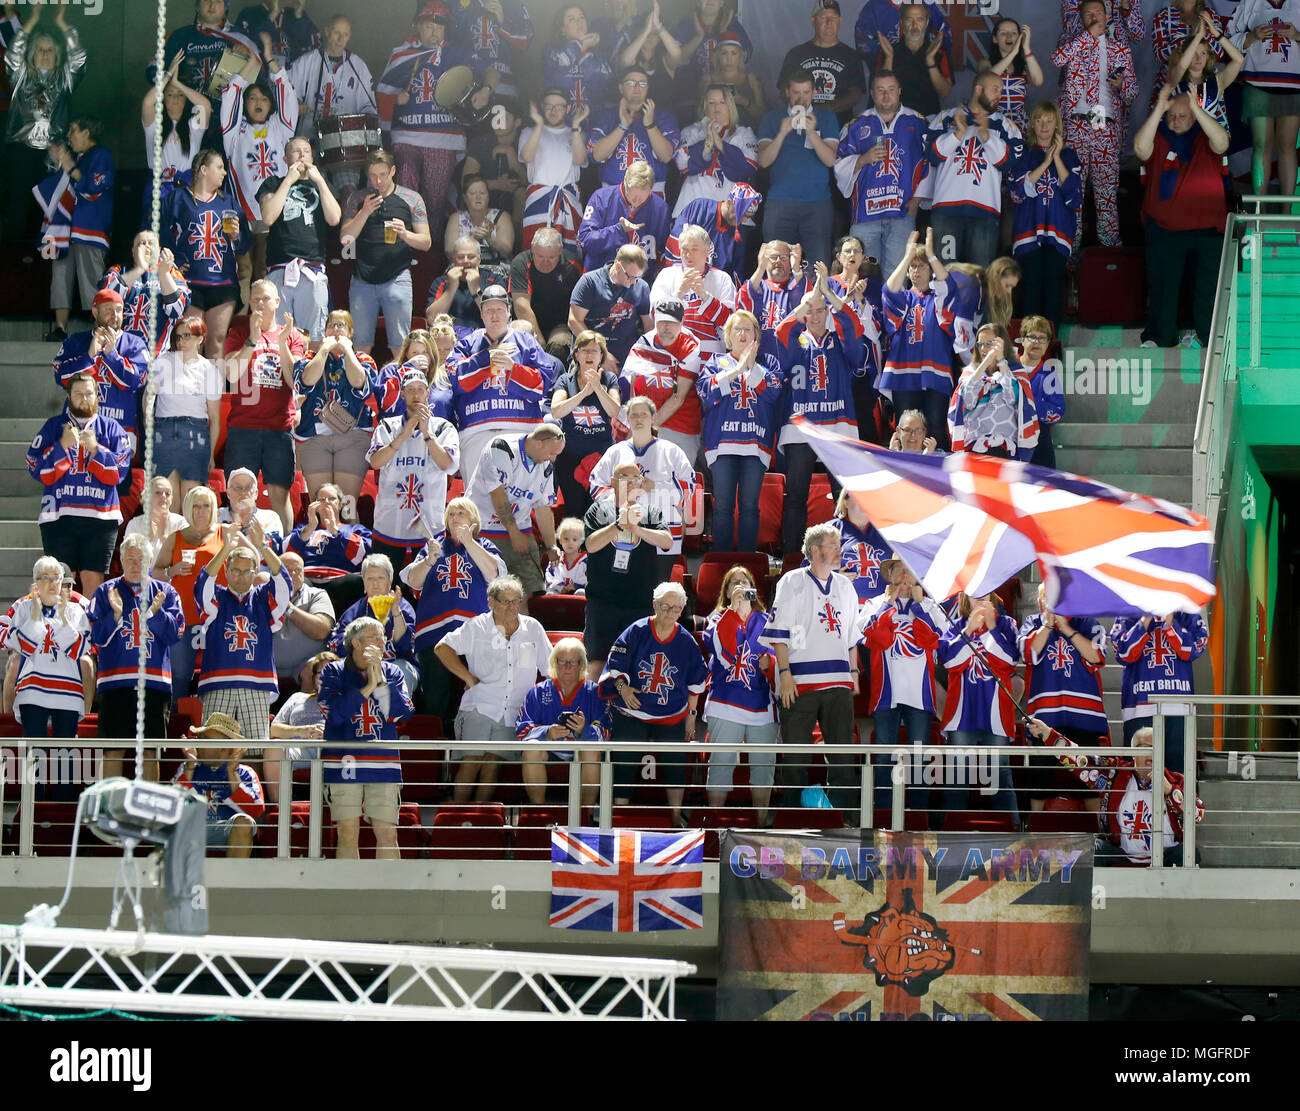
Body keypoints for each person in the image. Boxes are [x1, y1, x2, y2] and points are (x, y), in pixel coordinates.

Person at [761, 523, 868, 815]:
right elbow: (780, 633)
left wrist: (854, 673)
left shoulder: (845, 586)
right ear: (815, 550)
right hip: (799, 682)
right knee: (796, 759)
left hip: (838, 682)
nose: (839, 551)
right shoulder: (791, 581)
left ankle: (844, 819)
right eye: (834, 546)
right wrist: (785, 676)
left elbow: (850, 635)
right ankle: (793, 820)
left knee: (843, 758)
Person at [774, 266, 866, 555]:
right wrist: (808, 300)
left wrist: (828, 295)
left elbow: (854, 327)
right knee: (797, 494)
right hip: (801, 426)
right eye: (809, 311)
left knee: (844, 494)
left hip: (838, 425)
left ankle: (848, 550)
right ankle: (793, 554)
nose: (813, 316)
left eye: (819, 310)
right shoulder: (796, 341)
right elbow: (781, 330)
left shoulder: (839, 339)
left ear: (828, 312)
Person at [599, 580, 707, 825]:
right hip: (631, 712)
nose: (670, 613)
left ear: (682, 610)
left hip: (671, 715)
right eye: (665, 606)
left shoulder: (686, 641)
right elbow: (614, 666)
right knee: (624, 764)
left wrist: (690, 716)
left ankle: (676, 816)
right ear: (654, 605)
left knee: (675, 767)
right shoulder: (636, 631)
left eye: (676, 608)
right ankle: (619, 816)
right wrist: (622, 688)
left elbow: (696, 683)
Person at [435, 574, 551, 802]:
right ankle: (456, 817)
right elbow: (442, 649)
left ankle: (480, 819)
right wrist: (468, 678)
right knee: (471, 762)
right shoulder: (476, 626)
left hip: (516, 710)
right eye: (505, 601)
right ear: (491, 601)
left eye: (516, 600)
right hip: (480, 705)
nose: (512, 607)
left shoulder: (533, 628)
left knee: (492, 765)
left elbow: (549, 668)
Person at [1027, 718, 1203, 867]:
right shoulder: (1113, 775)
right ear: (1132, 753)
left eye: (1155, 748)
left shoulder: (1177, 780)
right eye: (1144, 749)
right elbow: (1080, 759)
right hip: (1123, 856)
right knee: (1094, 847)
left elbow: (1197, 814)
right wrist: (1049, 734)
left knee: (1189, 851)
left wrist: (1170, 791)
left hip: (1166, 858)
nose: (1151, 755)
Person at [377, 1, 490, 229]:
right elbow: (381, 93)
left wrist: (486, 89)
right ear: (418, 26)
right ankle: (404, 244)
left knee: (435, 198)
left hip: (443, 137)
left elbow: (486, 70)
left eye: (439, 27)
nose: (434, 31)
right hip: (406, 135)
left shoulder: (458, 54)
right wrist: (395, 99)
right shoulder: (402, 54)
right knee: (405, 188)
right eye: (429, 26)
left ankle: (432, 251)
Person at [1134, 85, 1229, 350]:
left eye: (1181, 116)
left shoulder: (1205, 135)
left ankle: (1207, 339)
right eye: (1171, 116)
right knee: (1163, 288)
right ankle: (1159, 338)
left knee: (1207, 291)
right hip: (1165, 228)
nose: (1175, 121)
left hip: (1208, 228)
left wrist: (1197, 110)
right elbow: (1141, 150)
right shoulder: (1160, 133)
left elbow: (1222, 143)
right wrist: (1159, 110)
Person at [88, 534, 185, 782]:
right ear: (120, 560)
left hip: (154, 685)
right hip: (114, 684)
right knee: (112, 751)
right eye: (129, 559)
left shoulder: (166, 592)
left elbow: (175, 634)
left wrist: (155, 614)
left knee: (150, 752)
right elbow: (95, 637)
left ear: (151, 561)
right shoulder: (105, 591)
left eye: (141, 560)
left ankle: (148, 816)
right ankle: (108, 813)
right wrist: (115, 615)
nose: (134, 565)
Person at [401, 496, 505, 720]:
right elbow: (412, 581)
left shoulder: (484, 545)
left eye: (461, 513)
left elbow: (493, 574)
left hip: (475, 634)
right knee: (436, 700)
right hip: (433, 633)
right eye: (451, 514)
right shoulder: (433, 547)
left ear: (474, 519)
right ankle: (437, 750)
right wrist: (429, 559)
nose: (455, 518)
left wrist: (468, 542)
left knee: (475, 698)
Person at [27, 372, 131, 598]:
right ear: (69, 396)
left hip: (100, 517)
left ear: (97, 396)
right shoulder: (54, 427)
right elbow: (34, 465)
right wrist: (61, 446)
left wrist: (96, 449)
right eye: (78, 394)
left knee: (93, 579)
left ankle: (90, 632)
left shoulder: (112, 428)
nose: (84, 399)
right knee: (60, 581)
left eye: (88, 393)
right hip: (59, 515)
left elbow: (120, 472)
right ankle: (61, 632)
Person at [319, 615, 414, 859]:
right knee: (348, 833)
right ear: (357, 643)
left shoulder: (393, 672)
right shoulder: (333, 670)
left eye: (383, 638)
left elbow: (400, 714)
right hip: (342, 762)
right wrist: (367, 688)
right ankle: (350, 894)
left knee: (388, 834)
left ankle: (389, 894)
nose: (382, 643)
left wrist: (380, 681)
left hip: (383, 762)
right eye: (375, 638)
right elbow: (333, 714)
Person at [1053, 0, 1140, 251]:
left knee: (1106, 195)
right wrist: (1087, 37)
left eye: (1098, 12)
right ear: (1080, 18)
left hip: (1105, 125)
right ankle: (1070, 254)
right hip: (1076, 125)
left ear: (1107, 15)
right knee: (1073, 193)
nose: (1094, 17)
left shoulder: (1120, 48)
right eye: (1088, 14)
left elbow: (1132, 93)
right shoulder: (1070, 41)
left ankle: (1109, 254)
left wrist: (1121, 84)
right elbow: (1057, 59)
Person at [861, 556, 945, 814]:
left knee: (919, 757)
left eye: (910, 572)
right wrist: (887, 603)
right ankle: (884, 813)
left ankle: (919, 815)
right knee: (885, 756)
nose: (905, 578)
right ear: (890, 576)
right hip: (887, 694)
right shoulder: (876, 603)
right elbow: (868, 632)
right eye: (899, 571)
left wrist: (919, 606)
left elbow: (936, 640)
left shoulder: (931, 606)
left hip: (919, 696)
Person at [195, 517, 292, 740]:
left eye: (247, 571)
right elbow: (202, 585)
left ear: (255, 572)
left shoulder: (263, 599)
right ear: (226, 572)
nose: (240, 576)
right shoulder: (218, 597)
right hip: (218, 683)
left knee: (257, 749)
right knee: (213, 752)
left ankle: (254, 778)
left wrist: (263, 547)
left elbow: (284, 585)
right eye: (235, 571)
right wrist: (225, 548)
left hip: (257, 684)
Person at [697, 310, 784, 553]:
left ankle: (748, 560)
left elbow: (773, 393)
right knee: (723, 505)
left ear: (757, 335)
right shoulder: (715, 362)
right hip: (723, 444)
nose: (743, 334)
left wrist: (751, 367)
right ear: (728, 336)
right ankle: (722, 561)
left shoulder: (769, 363)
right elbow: (706, 393)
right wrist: (736, 370)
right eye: (737, 329)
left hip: (755, 446)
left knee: (749, 506)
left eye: (748, 329)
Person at [224, 279, 306, 535]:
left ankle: (280, 551)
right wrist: (252, 339)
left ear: (277, 302)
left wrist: (281, 343)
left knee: (279, 495)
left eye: (266, 299)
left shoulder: (293, 335)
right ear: (249, 302)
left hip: (278, 429)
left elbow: (295, 380)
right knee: (238, 495)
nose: (260, 303)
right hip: (242, 427)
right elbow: (231, 375)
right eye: (255, 299)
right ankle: (237, 551)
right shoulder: (238, 332)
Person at [447, 283, 552, 481]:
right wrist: (488, 358)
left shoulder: (526, 341)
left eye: (499, 310)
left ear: (508, 311)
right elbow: (456, 379)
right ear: (481, 313)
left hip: (522, 429)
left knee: (521, 498)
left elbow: (542, 384)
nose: (494, 316)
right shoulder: (467, 343)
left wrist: (513, 369)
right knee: (478, 501)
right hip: (476, 430)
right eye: (488, 310)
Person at [582, 462, 673, 682]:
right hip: (602, 602)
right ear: (613, 482)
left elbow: (667, 542)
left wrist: (637, 528)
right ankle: (593, 710)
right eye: (624, 478)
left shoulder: (650, 511)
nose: (631, 483)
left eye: (636, 479)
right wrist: (618, 525)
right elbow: (590, 545)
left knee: (636, 663)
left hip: (639, 603)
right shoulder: (598, 509)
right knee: (596, 663)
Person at [834, 69, 929, 280]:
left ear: (899, 91)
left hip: (902, 211)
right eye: (880, 90)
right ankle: (867, 314)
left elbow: (930, 163)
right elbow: (838, 163)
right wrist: (862, 159)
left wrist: (916, 201)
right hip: (865, 213)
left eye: (891, 90)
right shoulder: (857, 124)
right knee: (863, 275)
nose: (886, 95)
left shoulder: (918, 122)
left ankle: (893, 314)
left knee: (898, 276)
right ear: (872, 93)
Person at [5, 4, 85, 253]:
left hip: (54, 152)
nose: (45, 54)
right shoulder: (20, 75)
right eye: (40, 49)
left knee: (49, 206)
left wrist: (62, 22)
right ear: (32, 52)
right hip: (21, 149)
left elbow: (79, 58)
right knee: (19, 204)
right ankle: (14, 254)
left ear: (57, 54)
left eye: (50, 50)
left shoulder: (64, 77)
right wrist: (34, 19)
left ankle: (46, 255)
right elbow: (12, 53)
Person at [937, 592, 1021, 826]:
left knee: (1000, 776)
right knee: (957, 778)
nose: (981, 600)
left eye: (986, 594)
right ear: (966, 600)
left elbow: (1008, 661)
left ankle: (1010, 833)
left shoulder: (1007, 624)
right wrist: (969, 630)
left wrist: (991, 628)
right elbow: (950, 662)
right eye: (975, 596)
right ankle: (950, 835)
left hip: (997, 715)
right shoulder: (955, 626)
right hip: (961, 715)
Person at [221, 42, 299, 290]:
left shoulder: (280, 128)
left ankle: (264, 323)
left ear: (270, 104)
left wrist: (268, 60)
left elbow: (286, 93)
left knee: (265, 269)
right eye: (252, 98)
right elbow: (230, 94)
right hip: (241, 213)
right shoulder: (234, 132)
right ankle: (242, 321)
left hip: (271, 212)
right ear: (245, 104)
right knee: (243, 270)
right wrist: (251, 66)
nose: (258, 102)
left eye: (263, 98)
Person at [926, 70, 1022, 270]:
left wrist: (986, 135)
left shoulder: (1004, 124)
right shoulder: (947, 117)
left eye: (1001, 90)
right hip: (946, 211)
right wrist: (957, 134)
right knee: (944, 274)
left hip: (985, 212)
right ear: (978, 90)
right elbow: (932, 155)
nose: (999, 95)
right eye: (995, 89)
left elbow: (1009, 163)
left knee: (980, 277)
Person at [339, 149, 432, 355]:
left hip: (397, 277)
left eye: (382, 174)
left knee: (400, 345)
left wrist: (405, 234)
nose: (378, 181)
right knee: (361, 345)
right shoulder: (357, 198)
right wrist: (364, 212)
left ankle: (399, 385)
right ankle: (361, 386)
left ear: (393, 171)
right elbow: (345, 239)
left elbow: (426, 242)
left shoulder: (411, 198)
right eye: (373, 175)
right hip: (363, 279)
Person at [702, 565, 777, 821]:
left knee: (763, 769)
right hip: (725, 703)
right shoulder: (716, 619)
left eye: (745, 580)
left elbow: (783, 652)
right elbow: (723, 652)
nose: (741, 585)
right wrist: (735, 613)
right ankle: (715, 824)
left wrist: (772, 662)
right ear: (726, 592)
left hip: (762, 706)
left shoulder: (767, 620)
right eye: (734, 582)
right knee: (721, 765)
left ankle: (760, 824)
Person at [588, 396, 696, 572]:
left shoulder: (672, 451)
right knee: (628, 590)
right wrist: (622, 494)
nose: (639, 419)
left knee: (658, 591)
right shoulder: (616, 451)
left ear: (653, 418)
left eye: (644, 414)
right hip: (624, 533)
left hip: (663, 532)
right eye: (634, 415)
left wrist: (654, 486)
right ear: (627, 419)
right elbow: (596, 484)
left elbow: (689, 489)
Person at [367, 367, 460, 571]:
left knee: (427, 590)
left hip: (428, 528)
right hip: (389, 525)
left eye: (420, 389)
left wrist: (427, 434)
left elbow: (448, 465)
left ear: (428, 393)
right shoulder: (388, 426)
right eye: (410, 389)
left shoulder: (444, 427)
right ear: (402, 394)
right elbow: (375, 462)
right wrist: (403, 435)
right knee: (384, 589)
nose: (416, 394)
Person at [465, 423, 565, 608]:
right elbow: (498, 495)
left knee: (524, 592)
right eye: (551, 453)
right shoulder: (501, 448)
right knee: (487, 594)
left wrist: (551, 545)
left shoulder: (546, 465)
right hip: (485, 528)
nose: (553, 458)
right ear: (537, 444)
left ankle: (520, 635)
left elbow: (543, 508)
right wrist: (514, 533)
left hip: (521, 528)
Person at [162, 149, 249, 360]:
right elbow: (159, 231)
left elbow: (245, 245)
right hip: (191, 282)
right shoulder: (178, 198)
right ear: (203, 170)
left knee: (217, 341)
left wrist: (236, 236)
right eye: (219, 167)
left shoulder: (228, 202)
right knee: (190, 341)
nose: (224, 173)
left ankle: (214, 393)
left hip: (223, 282)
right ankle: (188, 392)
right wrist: (177, 260)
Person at [879, 228, 959, 448]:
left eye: (921, 265)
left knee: (935, 431)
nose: (916, 270)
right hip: (903, 374)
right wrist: (907, 256)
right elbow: (888, 290)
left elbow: (949, 287)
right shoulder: (903, 297)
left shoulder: (939, 298)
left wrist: (931, 255)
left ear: (931, 269)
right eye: (913, 267)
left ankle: (938, 480)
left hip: (935, 374)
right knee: (906, 431)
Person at [258, 134, 342, 344]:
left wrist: (320, 181)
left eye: (306, 151)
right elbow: (268, 217)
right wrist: (289, 180)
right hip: (280, 267)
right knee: (276, 335)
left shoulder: (322, 185)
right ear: (286, 158)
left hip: (312, 268)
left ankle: (310, 375)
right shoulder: (273, 183)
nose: (302, 155)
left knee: (314, 337)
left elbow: (334, 219)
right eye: (296, 151)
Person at [293, 308, 380, 509]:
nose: (336, 330)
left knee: (347, 507)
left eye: (341, 326)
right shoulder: (309, 356)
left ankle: (349, 539)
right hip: (314, 436)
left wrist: (348, 351)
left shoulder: (363, 359)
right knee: (321, 506)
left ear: (350, 333)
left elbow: (361, 385)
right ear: (324, 332)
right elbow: (305, 381)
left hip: (352, 434)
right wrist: (324, 350)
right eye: (331, 325)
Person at [3, 555, 91, 745]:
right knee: (35, 756)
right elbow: (25, 646)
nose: (52, 583)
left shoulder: (76, 611)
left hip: (68, 692)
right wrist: (36, 613)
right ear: (36, 582)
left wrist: (61, 618)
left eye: (56, 578)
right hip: (32, 692)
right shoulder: (24, 608)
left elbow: (78, 650)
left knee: (64, 760)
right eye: (45, 578)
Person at [756, 69, 838, 272]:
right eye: (796, 92)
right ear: (787, 92)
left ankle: (815, 304)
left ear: (813, 92)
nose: (801, 98)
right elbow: (764, 161)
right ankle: (776, 303)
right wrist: (782, 132)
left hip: (817, 203)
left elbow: (830, 160)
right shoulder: (772, 119)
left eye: (806, 92)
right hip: (780, 202)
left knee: (818, 267)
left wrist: (812, 132)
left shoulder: (826, 118)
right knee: (775, 265)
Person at [1110, 610, 1209, 778]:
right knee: (1138, 779)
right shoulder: (1127, 613)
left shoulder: (1188, 613)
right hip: (1139, 707)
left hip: (1179, 710)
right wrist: (1147, 616)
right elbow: (1124, 653)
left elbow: (1192, 650)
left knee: (1180, 778)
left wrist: (1169, 621)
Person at [1011, 102, 1082, 328]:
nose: (1044, 125)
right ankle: (1027, 350)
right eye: (1039, 120)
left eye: (1049, 120)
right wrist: (1046, 163)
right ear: (1032, 124)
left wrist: (1057, 158)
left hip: (1057, 234)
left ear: (1057, 125)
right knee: (1030, 290)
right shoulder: (1024, 155)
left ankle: (1052, 349)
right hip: (1028, 234)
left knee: (1054, 292)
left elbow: (1075, 196)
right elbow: (1017, 192)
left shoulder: (1070, 156)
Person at [53, 288, 149, 457]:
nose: (114, 315)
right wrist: (89, 356)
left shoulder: (135, 344)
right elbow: (61, 377)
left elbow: (135, 381)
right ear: (95, 312)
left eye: (119, 310)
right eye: (108, 310)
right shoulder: (75, 342)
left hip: (121, 427)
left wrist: (112, 356)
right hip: (78, 428)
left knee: (117, 481)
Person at [288, 14, 377, 194]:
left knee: (348, 192)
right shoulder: (307, 61)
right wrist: (295, 105)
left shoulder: (357, 66)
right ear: (327, 32)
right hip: (310, 143)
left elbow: (369, 108)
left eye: (345, 34)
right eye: (336, 33)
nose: (340, 39)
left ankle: (347, 222)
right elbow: (284, 91)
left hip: (344, 146)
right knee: (311, 192)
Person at [518, 636, 609, 806]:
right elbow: (523, 729)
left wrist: (585, 730)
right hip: (550, 751)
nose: (567, 667)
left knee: (590, 751)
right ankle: (538, 810)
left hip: (581, 750)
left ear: (582, 664)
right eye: (562, 661)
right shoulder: (537, 692)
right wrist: (546, 732)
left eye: (573, 662)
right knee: (531, 749)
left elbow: (605, 730)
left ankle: (586, 812)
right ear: (554, 663)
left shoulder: (595, 692)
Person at [153, 484, 225, 702]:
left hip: (218, 618)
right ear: (187, 508)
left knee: (218, 676)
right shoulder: (175, 537)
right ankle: (176, 725)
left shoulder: (226, 533)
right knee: (179, 676)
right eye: (195, 506)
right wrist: (172, 571)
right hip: (183, 618)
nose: (200, 511)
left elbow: (250, 560)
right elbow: (155, 573)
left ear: (213, 509)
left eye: (206, 506)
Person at [47, 118, 115, 339]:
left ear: (87, 132)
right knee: (60, 278)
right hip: (64, 230)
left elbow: (94, 186)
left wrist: (71, 167)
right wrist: (56, 158)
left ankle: (101, 331)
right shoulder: (76, 158)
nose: (69, 135)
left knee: (92, 283)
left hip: (90, 231)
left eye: (73, 130)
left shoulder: (101, 155)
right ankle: (60, 328)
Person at [1228, 0, 1300, 196]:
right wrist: (1251, 36)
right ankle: (1259, 211)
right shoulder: (1251, 3)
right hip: (1257, 83)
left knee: (1288, 147)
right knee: (1261, 145)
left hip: (1292, 85)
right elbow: (1227, 38)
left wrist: (1296, 35)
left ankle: (1287, 213)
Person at [149, 317, 223, 506]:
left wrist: (211, 453)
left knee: (191, 503)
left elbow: (215, 418)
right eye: (179, 337)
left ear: (200, 338)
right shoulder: (164, 360)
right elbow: (149, 398)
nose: (181, 341)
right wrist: (147, 424)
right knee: (167, 501)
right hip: (163, 431)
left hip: (195, 434)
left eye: (187, 336)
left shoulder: (209, 369)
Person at [548, 330, 621, 519]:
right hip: (570, 457)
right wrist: (583, 394)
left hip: (601, 457)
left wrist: (597, 388)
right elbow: (556, 410)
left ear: (601, 356)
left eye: (595, 351)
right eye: (585, 350)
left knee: (599, 512)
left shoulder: (609, 379)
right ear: (576, 355)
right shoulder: (566, 380)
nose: (589, 355)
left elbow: (614, 411)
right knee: (574, 511)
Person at [326, 552, 419, 699]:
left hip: (395, 663)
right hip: (361, 665)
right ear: (363, 582)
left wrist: (396, 613)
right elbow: (335, 643)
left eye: (380, 578)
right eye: (370, 578)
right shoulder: (355, 611)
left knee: (401, 669)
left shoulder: (404, 608)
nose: (375, 584)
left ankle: (396, 719)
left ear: (389, 581)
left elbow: (407, 648)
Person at [621, 299, 704, 464]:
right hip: (646, 421)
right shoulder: (644, 344)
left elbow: (678, 397)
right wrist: (634, 424)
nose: (666, 327)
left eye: (672, 322)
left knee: (677, 484)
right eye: (662, 321)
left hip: (681, 425)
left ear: (682, 322)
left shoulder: (690, 346)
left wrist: (648, 426)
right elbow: (632, 388)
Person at [175, 712, 264, 858]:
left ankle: (233, 879)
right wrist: (190, 765)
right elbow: (173, 802)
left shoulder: (245, 772)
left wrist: (231, 772)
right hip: (193, 829)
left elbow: (256, 810)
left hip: (227, 831)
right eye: (200, 738)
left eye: (205, 740)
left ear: (225, 749)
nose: (198, 743)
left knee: (244, 823)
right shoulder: (189, 766)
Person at [947, 324, 1039, 461]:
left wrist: (1001, 360)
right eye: (980, 344)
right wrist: (984, 364)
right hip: (974, 445)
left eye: (989, 344)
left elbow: (1013, 398)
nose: (984, 349)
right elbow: (967, 401)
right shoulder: (970, 372)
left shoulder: (1016, 371)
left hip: (1005, 447)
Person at [586, 63, 681, 195]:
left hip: (651, 195)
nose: (637, 87)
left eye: (642, 83)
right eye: (631, 83)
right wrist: (622, 126)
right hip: (613, 193)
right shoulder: (606, 116)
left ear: (648, 88)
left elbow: (666, 156)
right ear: (621, 88)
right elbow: (596, 156)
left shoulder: (663, 116)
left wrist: (650, 125)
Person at [649, 223, 737, 360]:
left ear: (707, 250)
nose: (688, 255)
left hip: (711, 358)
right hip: (672, 352)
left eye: (694, 249)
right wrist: (679, 294)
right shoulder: (666, 275)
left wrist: (704, 296)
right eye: (684, 249)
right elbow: (656, 315)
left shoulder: (722, 278)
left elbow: (731, 324)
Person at [99, 230, 192, 359]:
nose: (147, 246)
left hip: (156, 357)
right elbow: (105, 298)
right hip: (118, 353)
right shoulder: (119, 271)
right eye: (142, 243)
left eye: (151, 243)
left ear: (159, 250)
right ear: (133, 250)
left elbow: (177, 310)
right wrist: (140, 269)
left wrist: (164, 273)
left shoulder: (172, 274)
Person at [672, 84, 758, 222]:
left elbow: (747, 169)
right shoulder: (691, 131)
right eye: (711, 103)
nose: (716, 108)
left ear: (730, 106)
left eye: (722, 102)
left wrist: (721, 145)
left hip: (732, 216)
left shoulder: (744, 134)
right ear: (705, 106)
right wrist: (707, 144)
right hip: (692, 211)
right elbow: (683, 165)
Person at [286, 482, 371, 615]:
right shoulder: (304, 529)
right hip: (307, 577)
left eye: (331, 499)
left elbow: (362, 556)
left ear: (341, 504)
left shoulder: (354, 529)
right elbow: (287, 552)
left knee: (353, 582)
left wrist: (336, 531)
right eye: (321, 500)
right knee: (295, 582)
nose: (326, 503)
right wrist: (310, 528)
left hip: (340, 579)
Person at [519, 89, 589, 248]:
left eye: (559, 106)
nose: (553, 110)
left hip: (568, 198)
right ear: (542, 108)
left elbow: (580, 160)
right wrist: (539, 125)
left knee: (569, 251)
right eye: (549, 106)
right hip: (538, 198)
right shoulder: (528, 132)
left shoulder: (577, 134)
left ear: (568, 108)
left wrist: (576, 125)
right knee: (536, 248)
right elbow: (527, 157)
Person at [265, 648, 336, 802]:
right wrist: (301, 731)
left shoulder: (347, 700)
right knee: (273, 747)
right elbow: (274, 729)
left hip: (333, 750)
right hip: (299, 748)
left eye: (330, 672)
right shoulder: (298, 697)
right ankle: (279, 809)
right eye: (320, 673)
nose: (325, 677)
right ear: (314, 678)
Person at [779, 0, 867, 125]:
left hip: (838, 126)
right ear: (813, 21)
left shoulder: (851, 56)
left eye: (834, 18)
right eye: (823, 17)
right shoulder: (796, 54)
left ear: (840, 21)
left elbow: (856, 94)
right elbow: (783, 90)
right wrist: (803, 106)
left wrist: (826, 109)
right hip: (800, 124)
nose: (829, 23)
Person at [576, 159, 669, 273]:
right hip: (601, 276)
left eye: (642, 197)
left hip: (640, 280)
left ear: (651, 188)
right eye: (632, 195)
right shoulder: (601, 198)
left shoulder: (660, 207)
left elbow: (665, 251)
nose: (636, 201)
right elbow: (584, 240)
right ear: (624, 182)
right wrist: (618, 230)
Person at [861, 3, 952, 119]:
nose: (914, 25)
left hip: (928, 120)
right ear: (902, 23)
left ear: (927, 22)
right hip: (894, 120)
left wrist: (930, 61)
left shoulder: (939, 52)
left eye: (919, 19)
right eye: (909, 19)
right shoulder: (887, 51)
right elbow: (879, 92)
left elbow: (945, 93)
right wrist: (889, 58)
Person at [666, 181, 761, 290]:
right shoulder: (700, 208)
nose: (744, 220)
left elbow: (735, 275)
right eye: (743, 214)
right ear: (729, 203)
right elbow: (675, 243)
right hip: (682, 281)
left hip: (713, 291)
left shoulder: (737, 235)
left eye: (748, 217)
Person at [142, 58, 210, 201]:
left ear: (186, 99)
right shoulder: (154, 124)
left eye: (180, 95)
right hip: (158, 189)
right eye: (170, 94)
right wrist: (168, 76)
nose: (175, 99)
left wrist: (176, 83)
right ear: (163, 98)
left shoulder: (194, 125)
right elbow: (147, 102)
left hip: (188, 187)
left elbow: (205, 105)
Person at [508, 227, 585, 355]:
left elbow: (581, 305)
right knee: (525, 340)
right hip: (528, 321)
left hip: (561, 324)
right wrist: (541, 345)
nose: (545, 262)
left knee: (558, 347)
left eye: (551, 257)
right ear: (532, 249)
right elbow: (522, 307)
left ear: (560, 251)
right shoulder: (520, 263)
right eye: (540, 256)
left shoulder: (573, 264)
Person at [1168, 16, 1243, 135]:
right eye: (1194, 54)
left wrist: (1216, 34)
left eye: (1203, 53)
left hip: (1206, 141)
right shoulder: (1176, 79)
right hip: (1180, 140)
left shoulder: (1216, 82)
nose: (1199, 58)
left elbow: (1239, 60)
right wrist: (1198, 37)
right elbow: (1181, 67)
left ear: (1208, 56)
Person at [736, 240, 810, 360]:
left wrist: (796, 268)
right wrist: (760, 268)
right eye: (773, 257)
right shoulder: (758, 285)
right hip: (758, 360)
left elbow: (808, 300)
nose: (778, 261)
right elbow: (742, 302)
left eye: (784, 258)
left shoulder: (795, 285)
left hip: (791, 360)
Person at [272, 549, 335, 689]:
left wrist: (287, 607)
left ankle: (309, 711)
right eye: (287, 570)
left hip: (305, 663)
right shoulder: (263, 594)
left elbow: (321, 630)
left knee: (315, 669)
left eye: (298, 570)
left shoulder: (316, 594)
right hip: (268, 663)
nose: (293, 574)